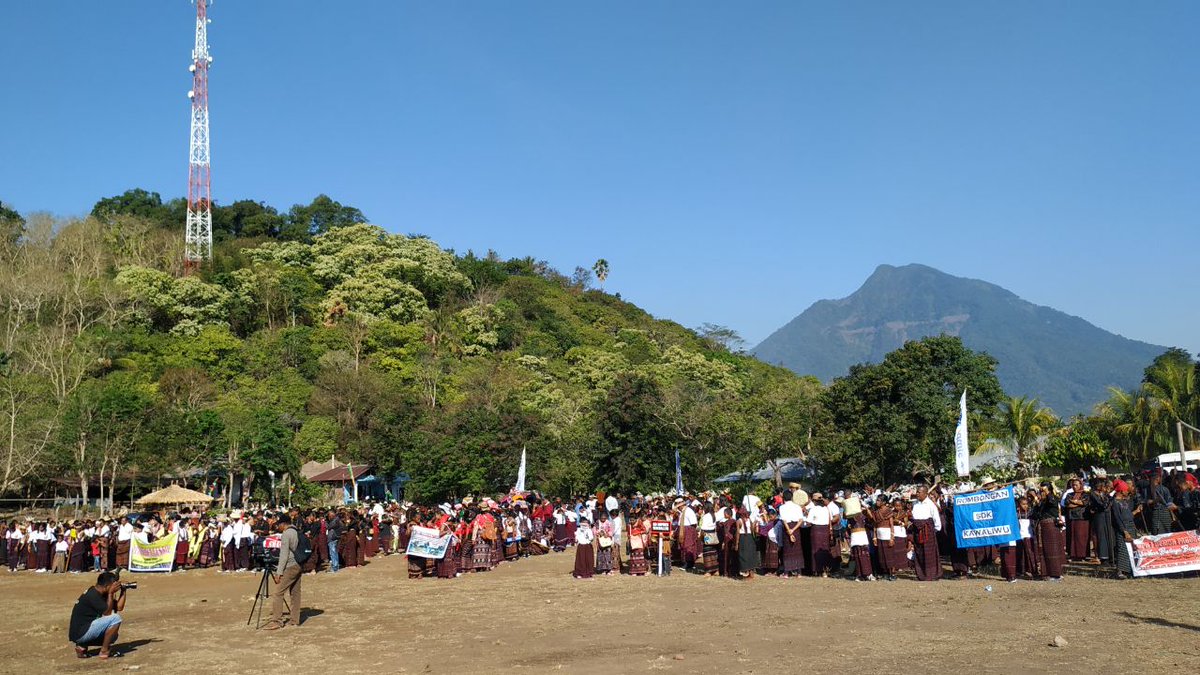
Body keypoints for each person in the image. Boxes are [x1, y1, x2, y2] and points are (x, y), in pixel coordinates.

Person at [68, 571, 127, 660]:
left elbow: (119, 607)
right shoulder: (93, 595)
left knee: (113, 636)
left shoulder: (101, 593)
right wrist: (111, 594)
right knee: (116, 618)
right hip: (80, 633)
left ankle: (82, 646)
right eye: (113, 585)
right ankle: (104, 651)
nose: (115, 588)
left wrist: (123, 590)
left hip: (81, 632)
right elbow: (107, 613)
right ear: (107, 586)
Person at [265, 515, 302, 631]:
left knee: (278, 593)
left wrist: (279, 572)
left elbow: (284, 555)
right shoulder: (296, 531)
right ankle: (295, 620)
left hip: (290, 565)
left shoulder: (286, 534)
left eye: (279, 525)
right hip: (299, 564)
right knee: (295, 593)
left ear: (283, 524)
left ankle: (277, 621)